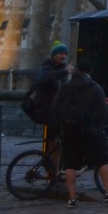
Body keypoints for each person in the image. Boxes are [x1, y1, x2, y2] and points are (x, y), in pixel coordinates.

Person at [52, 58, 108, 207]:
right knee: (102, 160)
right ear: (90, 72)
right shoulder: (95, 88)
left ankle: (72, 198)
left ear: (76, 71)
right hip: (90, 132)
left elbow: (56, 108)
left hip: (70, 131)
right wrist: (95, 124)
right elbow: (103, 110)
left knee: (70, 165)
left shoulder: (65, 87)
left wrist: (63, 124)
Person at [35, 41, 70, 176]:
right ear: (54, 55)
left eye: (65, 54)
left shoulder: (61, 69)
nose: (63, 56)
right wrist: (63, 72)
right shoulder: (47, 67)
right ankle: (53, 171)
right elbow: (42, 79)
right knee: (53, 141)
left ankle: (56, 168)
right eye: (60, 53)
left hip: (57, 110)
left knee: (59, 141)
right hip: (47, 110)